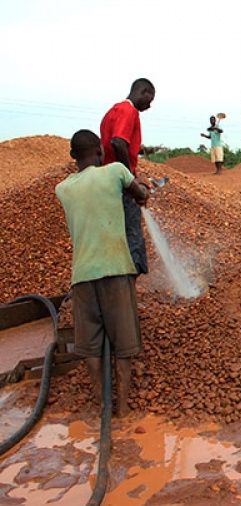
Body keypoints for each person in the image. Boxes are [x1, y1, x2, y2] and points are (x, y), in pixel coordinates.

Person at [56, 129, 152, 417]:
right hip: (116, 269)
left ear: (73, 157)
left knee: (92, 348)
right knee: (123, 346)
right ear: (100, 151)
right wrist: (144, 190)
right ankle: (122, 408)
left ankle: (102, 405)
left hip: (82, 277)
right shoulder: (116, 171)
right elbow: (139, 194)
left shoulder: (63, 189)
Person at [100, 78, 155, 275]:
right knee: (133, 235)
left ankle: (118, 280)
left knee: (118, 234)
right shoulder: (128, 110)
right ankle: (128, 281)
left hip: (108, 181)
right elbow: (117, 142)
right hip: (120, 184)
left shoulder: (113, 111)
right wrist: (131, 179)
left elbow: (113, 144)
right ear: (143, 91)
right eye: (151, 99)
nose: (150, 105)